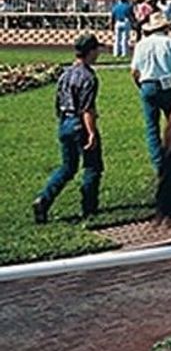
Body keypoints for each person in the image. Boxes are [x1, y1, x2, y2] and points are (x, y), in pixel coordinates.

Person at [33, 34, 104, 223]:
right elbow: (87, 108)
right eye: (96, 49)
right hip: (80, 123)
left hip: (65, 121)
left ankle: (44, 199)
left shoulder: (65, 74)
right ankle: (89, 208)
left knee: (67, 167)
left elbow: (57, 102)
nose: (98, 53)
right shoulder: (89, 77)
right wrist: (91, 133)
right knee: (92, 166)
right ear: (90, 51)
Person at [129, 11, 171, 174]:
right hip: (167, 85)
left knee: (151, 126)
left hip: (147, 84)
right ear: (166, 27)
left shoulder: (141, 44)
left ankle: (158, 162)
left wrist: (140, 85)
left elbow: (134, 71)